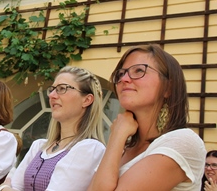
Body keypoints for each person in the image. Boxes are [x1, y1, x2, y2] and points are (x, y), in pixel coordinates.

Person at [87, 44, 207, 191]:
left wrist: (117, 135)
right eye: (121, 74)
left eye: (139, 70)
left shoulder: (183, 142)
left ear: (168, 88)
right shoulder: (125, 148)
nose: (124, 79)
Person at [0, 66, 106, 191]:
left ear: (87, 100)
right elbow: (16, 186)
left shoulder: (90, 149)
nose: (52, 95)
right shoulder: (39, 146)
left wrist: (4, 187)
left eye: (62, 89)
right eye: (53, 89)